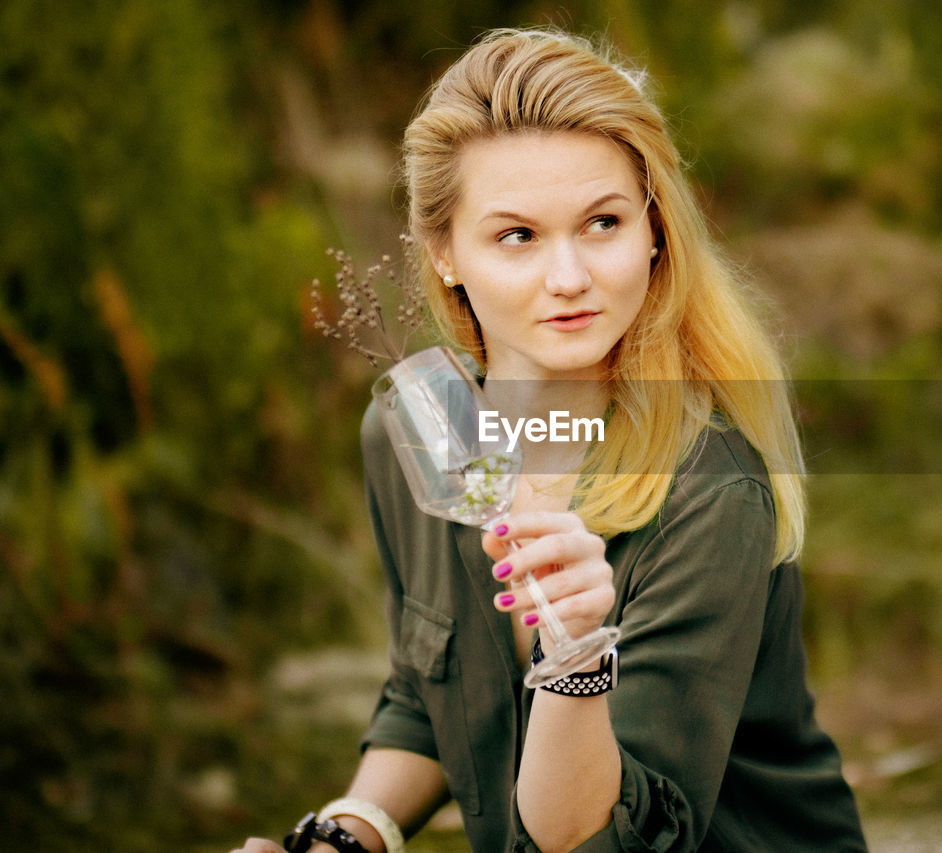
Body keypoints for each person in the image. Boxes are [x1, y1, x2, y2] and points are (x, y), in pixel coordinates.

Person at [234, 28, 867, 853]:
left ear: (653, 230)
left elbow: (598, 840)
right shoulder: (415, 428)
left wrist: (576, 656)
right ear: (444, 251)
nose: (568, 277)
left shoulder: (708, 491)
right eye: (518, 236)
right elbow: (428, 693)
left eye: (602, 222)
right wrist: (347, 834)